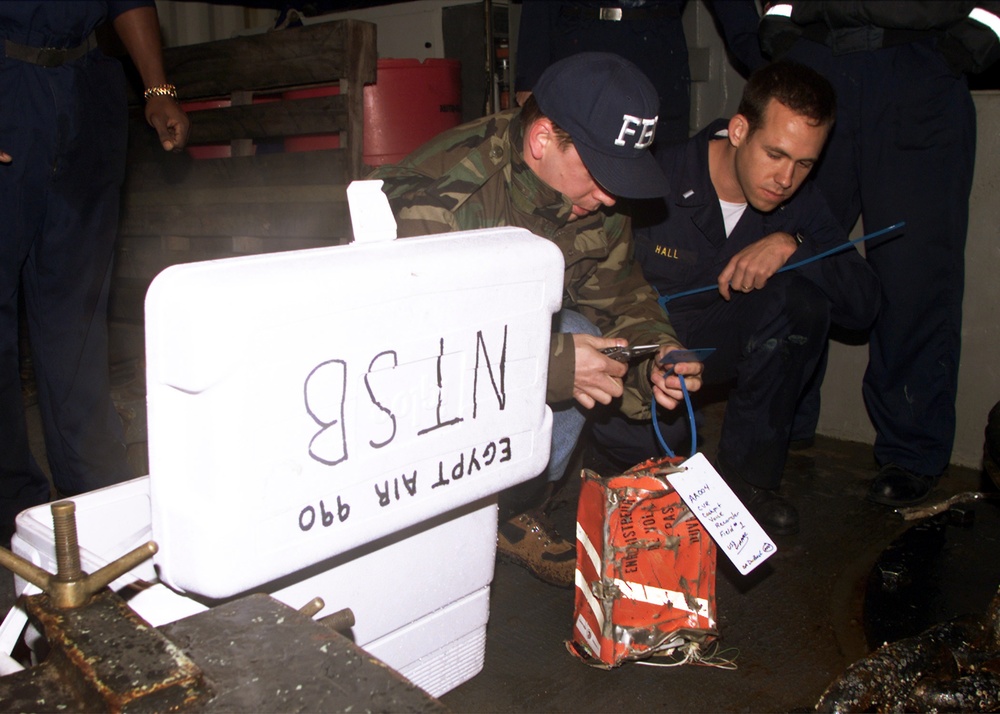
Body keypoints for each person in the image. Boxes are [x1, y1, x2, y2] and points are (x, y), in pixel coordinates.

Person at [370, 52, 705, 587]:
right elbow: (413, 345)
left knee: (591, 342)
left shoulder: (596, 195)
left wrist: (657, 352)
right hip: (391, 398)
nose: (611, 196)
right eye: (600, 173)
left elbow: (621, 293)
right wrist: (549, 367)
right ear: (542, 139)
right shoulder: (449, 200)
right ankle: (442, 523)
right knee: (570, 343)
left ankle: (512, 505)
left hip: (495, 355)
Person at [590, 60, 880, 536]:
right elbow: (596, 290)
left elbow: (864, 305)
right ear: (740, 129)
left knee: (800, 304)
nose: (786, 178)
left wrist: (794, 246)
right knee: (658, 469)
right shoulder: (658, 176)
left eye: (805, 164)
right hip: (639, 352)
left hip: (713, 345)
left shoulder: (798, 203)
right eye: (776, 154)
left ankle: (747, 484)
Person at [759, 2, 1000, 508]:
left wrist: (976, 35)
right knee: (792, 251)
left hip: (919, 65)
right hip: (818, 56)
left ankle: (911, 449)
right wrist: (778, 25)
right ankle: (780, 423)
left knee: (915, 273)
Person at [0, 2, 190, 542]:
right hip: (7, 88)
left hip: (87, 92)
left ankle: (101, 506)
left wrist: (156, 88)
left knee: (78, 315)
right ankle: (18, 519)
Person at [514, 0, 766, 146]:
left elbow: (738, 19)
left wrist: (774, 73)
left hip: (658, 60)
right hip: (581, 48)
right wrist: (530, 79)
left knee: (658, 185)